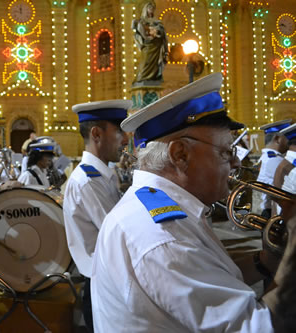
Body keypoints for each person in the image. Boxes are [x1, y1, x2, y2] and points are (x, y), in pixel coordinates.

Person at [92, 73, 296, 332]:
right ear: (180, 154)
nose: (235, 163)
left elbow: (212, 280)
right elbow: (260, 326)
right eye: (226, 152)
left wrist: (266, 261)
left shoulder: (158, 210)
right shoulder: (163, 235)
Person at [63, 100, 130, 333]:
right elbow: (123, 235)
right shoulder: (88, 181)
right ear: (96, 134)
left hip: (110, 280)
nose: (125, 139)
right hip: (105, 284)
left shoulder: (101, 176)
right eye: (119, 130)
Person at [257, 119, 291, 218]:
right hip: (270, 212)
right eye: (288, 137)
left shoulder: (267, 157)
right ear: (278, 139)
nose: (290, 141)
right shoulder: (274, 160)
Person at [132, 0, 168, 83]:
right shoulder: (141, 21)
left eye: (152, 9)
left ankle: (153, 77)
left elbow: (162, 33)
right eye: (150, 8)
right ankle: (141, 77)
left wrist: (158, 31)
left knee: (155, 64)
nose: (151, 10)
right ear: (146, 9)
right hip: (147, 45)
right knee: (145, 62)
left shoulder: (156, 21)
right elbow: (137, 32)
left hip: (156, 45)